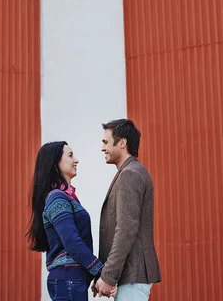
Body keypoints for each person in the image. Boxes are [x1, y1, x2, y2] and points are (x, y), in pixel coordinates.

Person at [27, 141, 117, 300]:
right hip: (68, 279)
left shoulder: (66, 198)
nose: (76, 160)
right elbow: (72, 242)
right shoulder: (57, 199)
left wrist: (95, 275)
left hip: (71, 279)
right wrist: (102, 273)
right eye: (70, 155)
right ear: (55, 163)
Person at [94, 119, 161, 300]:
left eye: (106, 142)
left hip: (133, 275)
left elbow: (126, 229)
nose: (102, 148)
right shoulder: (130, 171)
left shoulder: (129, 174)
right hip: (131, 276)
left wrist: (108, 276)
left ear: (122, 143)